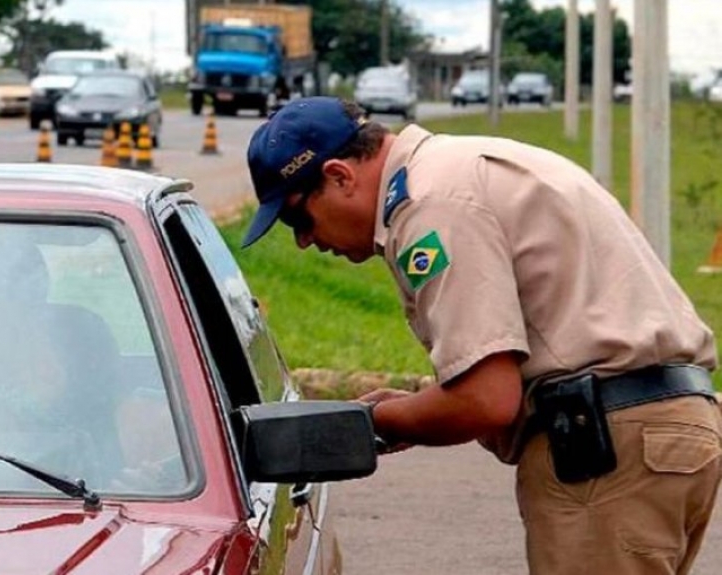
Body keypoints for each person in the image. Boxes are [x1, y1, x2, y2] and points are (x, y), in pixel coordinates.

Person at [241, 96, 720, 575]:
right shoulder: (459, 166)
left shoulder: (431, 205)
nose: (304, 241)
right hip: (665, 429)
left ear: (340, 176)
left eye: (297, 218)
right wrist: (419, 405)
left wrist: (377, 420)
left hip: (605, 449)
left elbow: (485, 400)